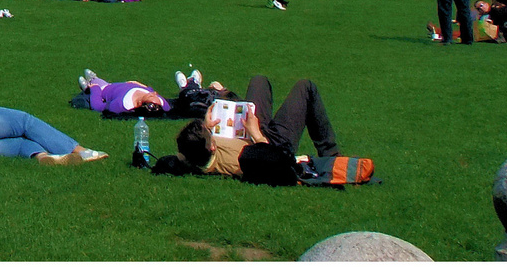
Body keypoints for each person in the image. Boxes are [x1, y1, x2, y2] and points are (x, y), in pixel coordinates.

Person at [174, 75, 342, 184]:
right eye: (208, 133)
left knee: (258, 81)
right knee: (306, 87)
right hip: (274, 143)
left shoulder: (192, 155)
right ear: (212, 147)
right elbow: (281, 160)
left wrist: (208, 126)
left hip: (250, 131)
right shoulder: (239, 160)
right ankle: (332, 156)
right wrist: (256, 133)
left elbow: (171, 160)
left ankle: (225, 93)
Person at [78, 70, 172, 113]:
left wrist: (95, 89)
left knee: (99, 84)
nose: (154, 94)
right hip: (118, 85)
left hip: (105, 89)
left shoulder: (122, 104)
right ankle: (94, 79)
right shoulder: (161, 103)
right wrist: (139, 84)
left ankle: (88, 86)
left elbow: (98, 106)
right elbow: (151, 90)